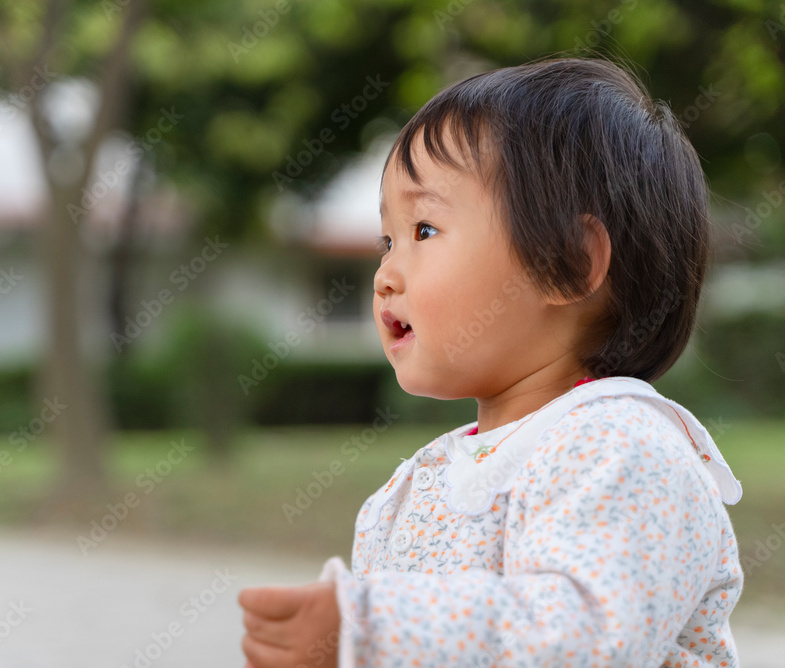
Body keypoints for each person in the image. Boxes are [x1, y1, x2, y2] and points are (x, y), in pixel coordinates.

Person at [239, 56, 744, 668]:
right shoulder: (416, 485)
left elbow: (584, 639)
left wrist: (371, 632)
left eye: (424, 230)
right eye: (386, 241)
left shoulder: (628, 451)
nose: (384, 276)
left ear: (568, 261)